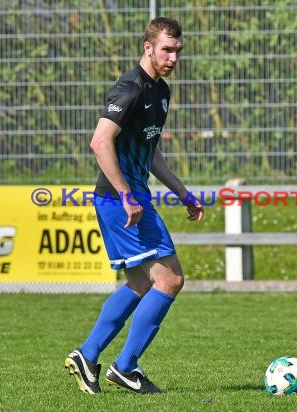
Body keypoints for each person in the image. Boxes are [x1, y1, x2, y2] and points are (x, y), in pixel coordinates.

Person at [64, 17, 204, 395]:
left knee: (142, 282)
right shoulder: (129, 88)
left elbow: (151, 150)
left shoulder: (161, 92)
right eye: (166, 49)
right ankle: (124, 366)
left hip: (129, 197)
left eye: (178, 50)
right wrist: (126, 193)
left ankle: (88, 355)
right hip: (120, 200)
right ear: (148, 47)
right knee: (171, 279)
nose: (173, 57)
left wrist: (181, 191)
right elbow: (99, 142)